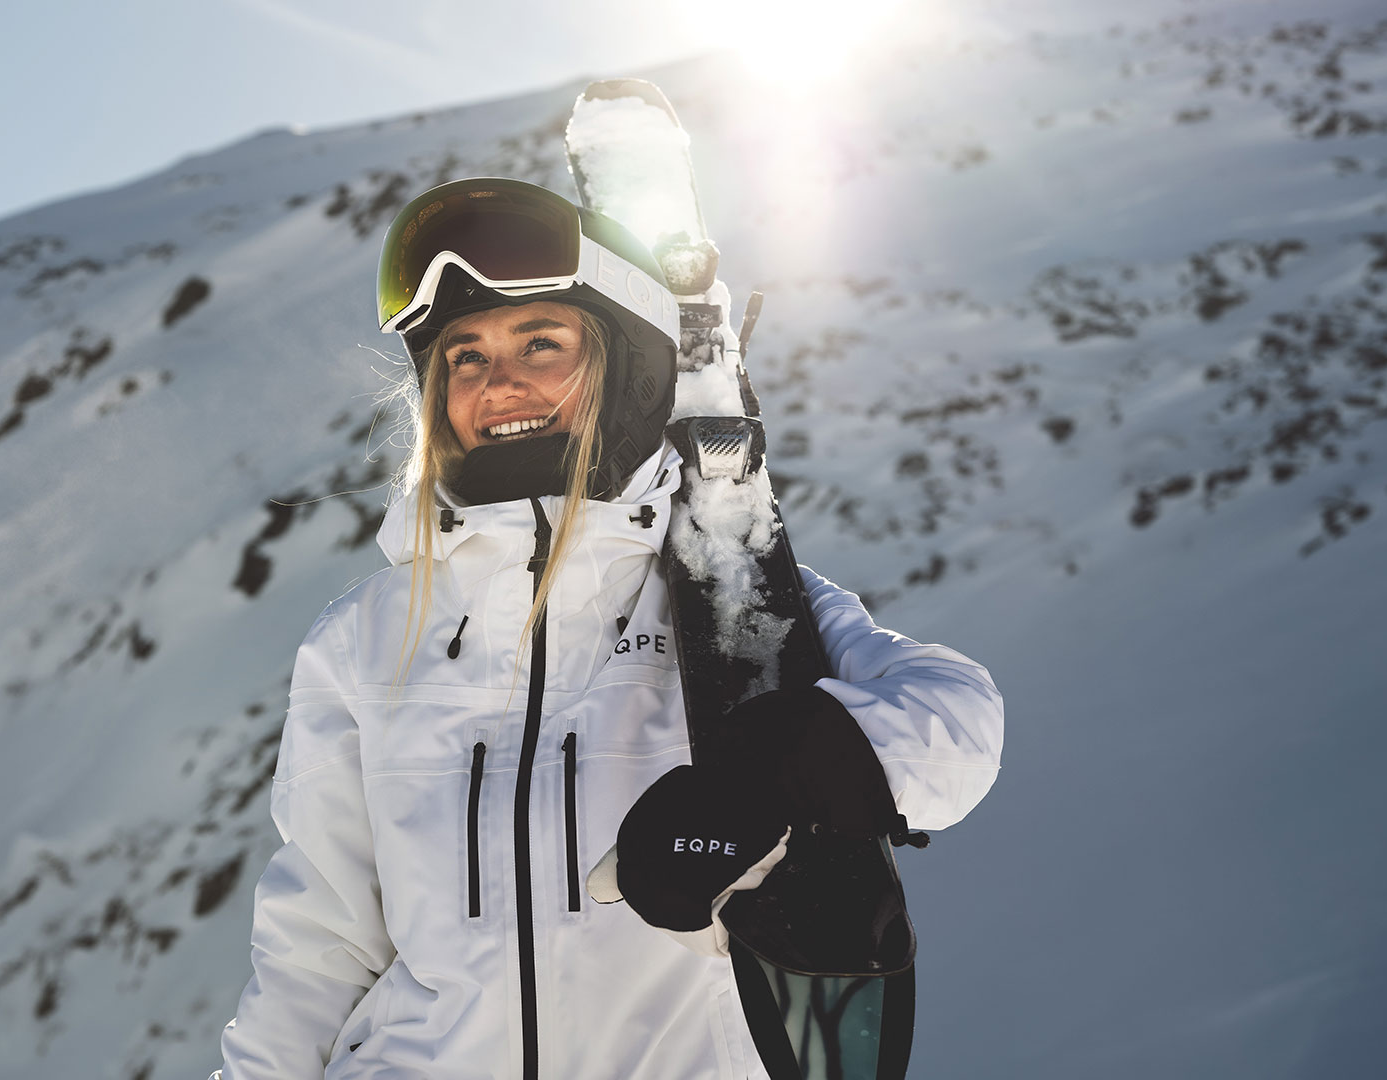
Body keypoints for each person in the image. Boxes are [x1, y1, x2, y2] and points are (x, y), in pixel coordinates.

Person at [216, 178, 1003, 1079]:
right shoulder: (363, 639)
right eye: (464, 356)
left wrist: (776, 776)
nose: (496, 382)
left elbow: (959, 721)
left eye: (540, 343)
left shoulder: (724, 593)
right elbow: (316, 946)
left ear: (625, 367)